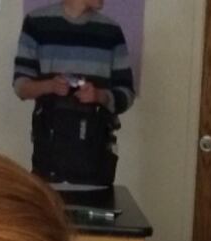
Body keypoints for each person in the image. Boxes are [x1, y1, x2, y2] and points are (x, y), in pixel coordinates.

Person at [12, 0, 136, 189]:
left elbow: (126, 94)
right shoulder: (36, 23)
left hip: (95, 158)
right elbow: (21, 86)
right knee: (49, 214)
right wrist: (50, 86)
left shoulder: (111, 31)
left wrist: (99, 96)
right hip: (48, 156)